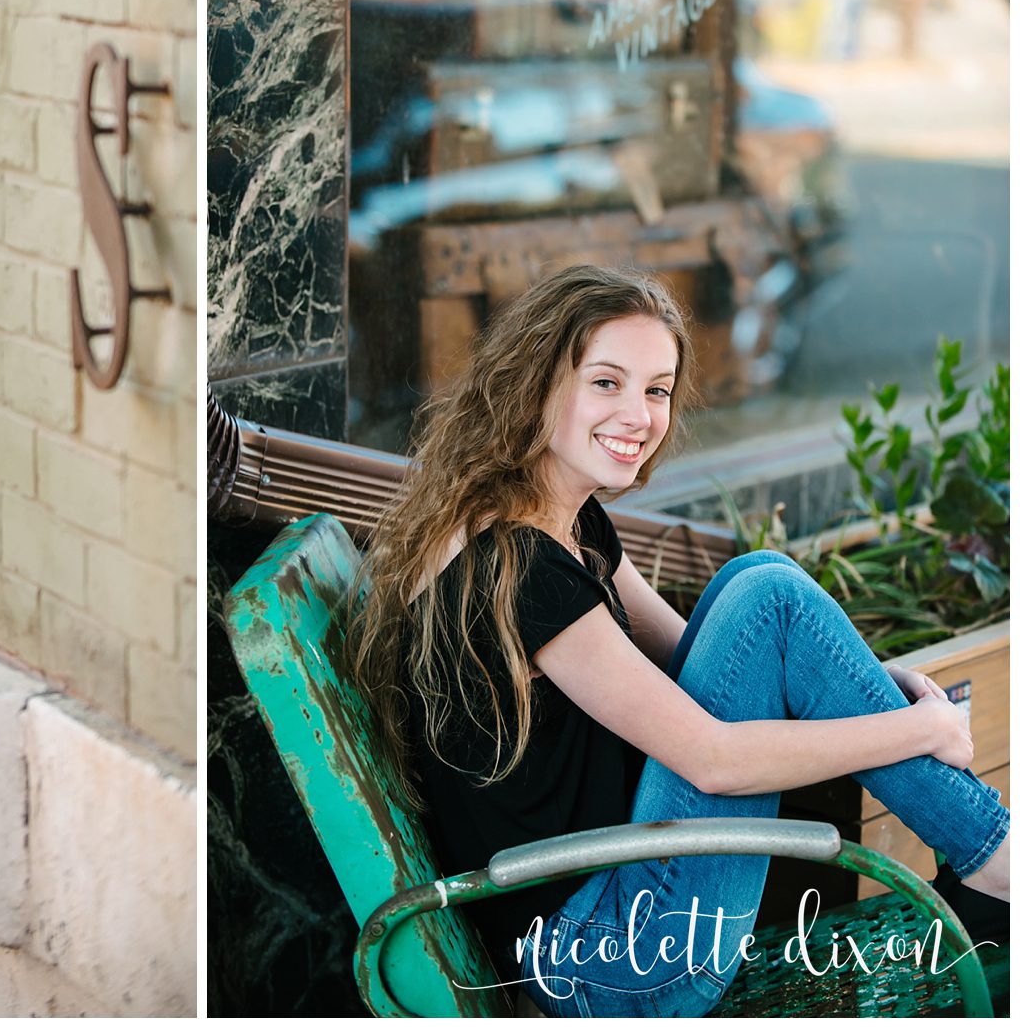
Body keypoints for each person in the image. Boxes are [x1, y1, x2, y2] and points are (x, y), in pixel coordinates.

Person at [346, 263, 1010, 1017]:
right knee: (768, 591)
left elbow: (696, 652)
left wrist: (862, 678)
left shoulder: (559, 520)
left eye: (656, 389)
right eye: (607, 382)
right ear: (536, 382)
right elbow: (711, 759)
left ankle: (995, 861)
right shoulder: (516, 566)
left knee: (760, 583)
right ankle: (998, 860)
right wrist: (919, 723)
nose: (639, 413)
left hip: (611, 915)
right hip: (612, 962)